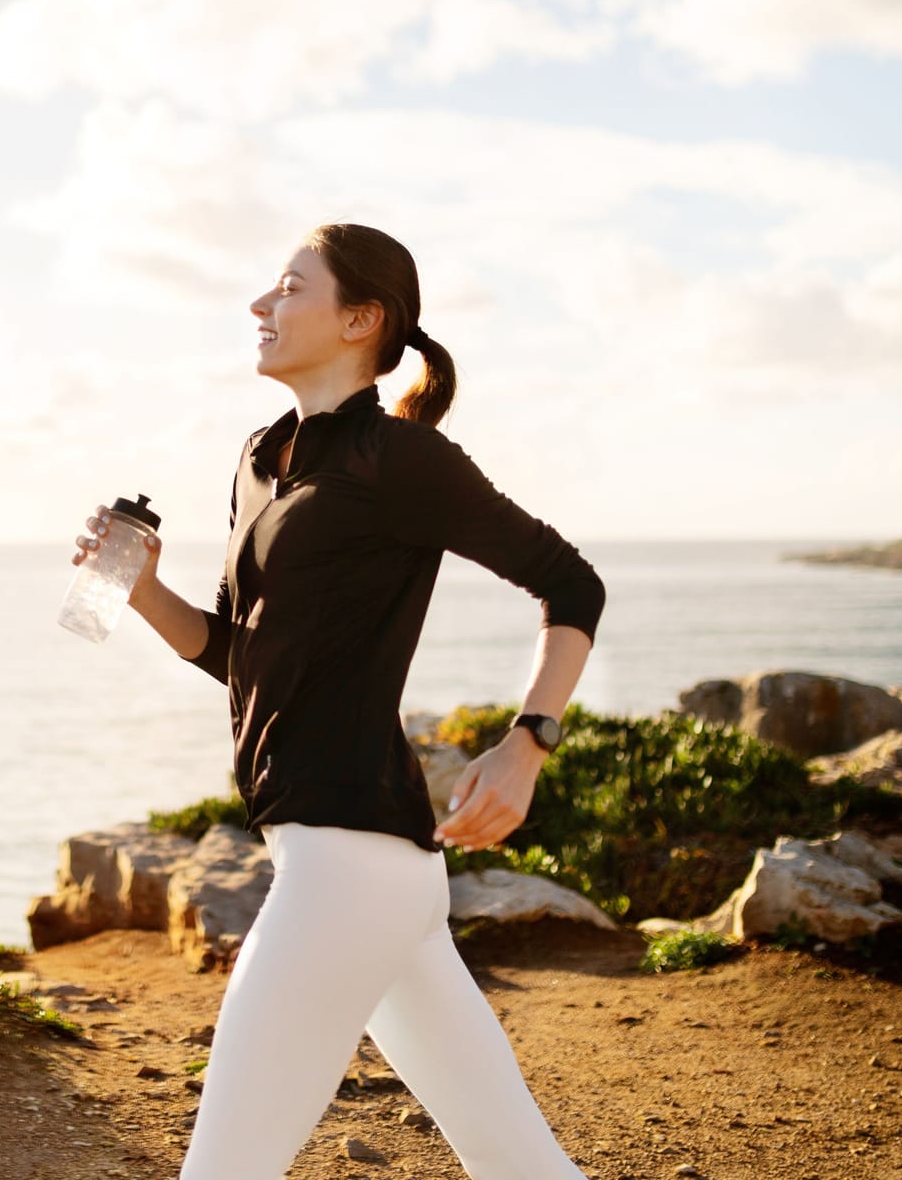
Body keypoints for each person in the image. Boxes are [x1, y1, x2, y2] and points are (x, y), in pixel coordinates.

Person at [74, 225, 605, 1178]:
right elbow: (239, 654)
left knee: (222, 1168)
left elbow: (571, 584)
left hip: (348, 865)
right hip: (354, 861)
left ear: (361, 320)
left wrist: (528, 742)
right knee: (518, 1163)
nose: (259, 307)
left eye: (287, 288)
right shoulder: (258, 458)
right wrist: (144, 587)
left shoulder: (400, 459)